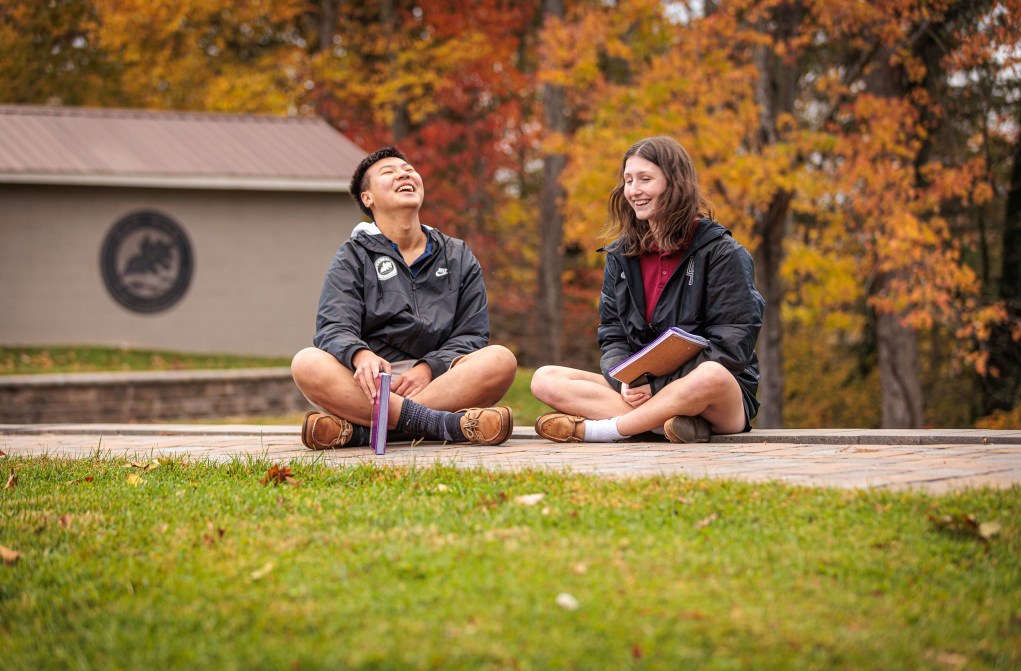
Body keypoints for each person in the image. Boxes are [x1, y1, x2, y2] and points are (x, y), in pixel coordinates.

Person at [531, 136, 763, 443]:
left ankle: (606, 430)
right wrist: (623, 377)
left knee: (712, 376)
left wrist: (657, 386)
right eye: (628, 180)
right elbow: (612, 334)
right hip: (641, 389)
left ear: (675, 183)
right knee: (545, 378)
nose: (633, 190)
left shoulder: (723, 253)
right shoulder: (621, 256)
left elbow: (731, 347)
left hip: (713, 394)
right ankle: (671, 424)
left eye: (645, 179)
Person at [292, 146, 518, 449]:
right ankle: (444, 425)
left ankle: (365, 431)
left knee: (501, 360)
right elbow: (333, 327)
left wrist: (429, 367)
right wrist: (361, 356)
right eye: (389, 172)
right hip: (371, 384)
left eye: (408, 170)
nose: (404, 174)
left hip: (440, 380)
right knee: (306, 362)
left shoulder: (457, 255)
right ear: (367, 199)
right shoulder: (353, 256)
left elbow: (472, 334)